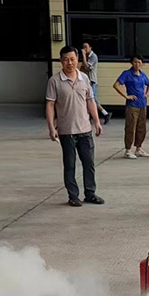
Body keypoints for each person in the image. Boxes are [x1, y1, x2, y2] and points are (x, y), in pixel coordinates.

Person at [45, 45, 103, 207]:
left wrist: (97, 121)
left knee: (89, 164)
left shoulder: (84, 78)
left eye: (72, 59)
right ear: (61, 61)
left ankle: (90, 193)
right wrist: (51, 127)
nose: (69, 63)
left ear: (77, 59)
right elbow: (50, 105)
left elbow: (90, 101)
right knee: (70, 165)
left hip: (85, 130)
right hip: (66, 131)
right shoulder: (54, 81)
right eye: (66, 60)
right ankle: (73, 196)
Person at [114, 55, 149, 159]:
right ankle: (128, 150)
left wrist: (147, 94)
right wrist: (126, 96)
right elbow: (116, 85)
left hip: (142, 104)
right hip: (132, 105)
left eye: (139, 62)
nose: (137, 64)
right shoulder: (127, 74)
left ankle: (139, 148)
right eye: (135, 62)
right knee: (130, 127)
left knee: (141, 128)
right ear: (131, 63)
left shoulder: (142, 75)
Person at [81, 41, 108, 119]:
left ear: (90, 48)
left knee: (92, 99)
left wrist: (83, 56)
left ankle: (105, 114)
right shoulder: (87, 57)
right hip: (87, 81)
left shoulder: (93, 56)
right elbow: (83, 67)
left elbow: (86, 67)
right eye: (83, 47)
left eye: (86, 47)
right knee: (90, 99)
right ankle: (102, 114)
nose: (84, 49)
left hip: (92, 81)